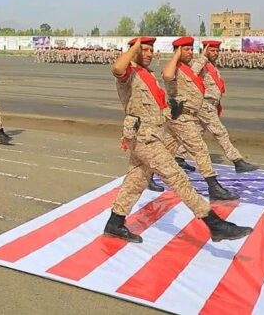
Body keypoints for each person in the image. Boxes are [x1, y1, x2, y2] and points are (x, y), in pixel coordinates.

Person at [104, 36, 251, 243]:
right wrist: (135, 46)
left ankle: (115, 223)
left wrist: (170, 109)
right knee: (177, 177)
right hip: (144, 138)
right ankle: (213, 223)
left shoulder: (147, 75)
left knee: (136, 181)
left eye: (150, 50)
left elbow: (155, 106)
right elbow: (117, 69)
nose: (148, 54)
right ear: (134, 51)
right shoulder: (129, 73)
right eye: (143, 50)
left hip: (151, 134)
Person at [161, 36, 237, 201]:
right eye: (186, 49)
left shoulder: (187, 68)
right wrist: (176, 55)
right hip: (180, 117)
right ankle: (213, 186)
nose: (190, 52)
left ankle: (147, 175)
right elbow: (167, 76)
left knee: (164, 151)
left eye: (190, 49)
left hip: (188, 115)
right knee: (200, 150)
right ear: (178, 51)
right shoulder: (174, 67)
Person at [175, 39, 258, 174]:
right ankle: (237, 161)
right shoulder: (199, 62)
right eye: (212, 50)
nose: (215, 53)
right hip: (204, 105)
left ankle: (178, 157)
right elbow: (192, 74)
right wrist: (202, 57)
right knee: (220, 133)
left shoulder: (211, 65)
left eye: (217, 50)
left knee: (196, 133)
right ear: (205, 49)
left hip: (211, 105)